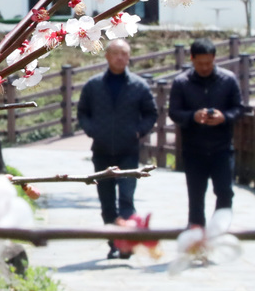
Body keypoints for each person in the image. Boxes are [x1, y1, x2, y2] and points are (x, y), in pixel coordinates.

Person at [76, 38, 159, 259]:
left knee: (126, 199)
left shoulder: (138, 85)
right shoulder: (94, 85)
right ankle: (114, 242)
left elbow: (151, 113)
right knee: (106, 201)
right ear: (107, 56)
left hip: (128, 151)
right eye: (116, 53)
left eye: (124, 53)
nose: (120, 57)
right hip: (101, 150)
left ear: (129, 56)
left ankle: (127, 243)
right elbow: (82, 112)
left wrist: (138, 131)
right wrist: (93, 130)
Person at [168, 39, 244, 228]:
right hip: (193, 149)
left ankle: (219, 231)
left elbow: (239, 109)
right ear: (192, 59)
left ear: (214, 59)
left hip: (222, 148)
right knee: (196, 196)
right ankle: (196, 238)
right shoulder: (181, 82)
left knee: (225, 192)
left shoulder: (228, 79)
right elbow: (174, 112)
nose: (204, 67)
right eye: (200, 63)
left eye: (208, 63)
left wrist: (224, 117)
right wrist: (193, 116)